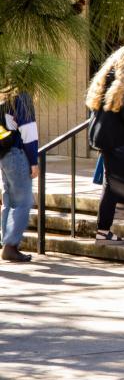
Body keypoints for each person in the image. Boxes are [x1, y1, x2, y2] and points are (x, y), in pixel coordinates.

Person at [86, 45, 124, 243]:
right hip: (118, 140)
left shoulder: (104, 79)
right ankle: (103, 229)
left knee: (111, 183)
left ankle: (105, 227)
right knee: (112, 185)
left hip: (103, 138)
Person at [0, 90, 39, 262]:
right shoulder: (22, 97)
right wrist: (33, 161)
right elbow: (28, 132)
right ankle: (10, 245)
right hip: (18, 153)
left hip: (4, 154)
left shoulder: (4, 97)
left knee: (9, 200)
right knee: (24, 202)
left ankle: (6, 244)